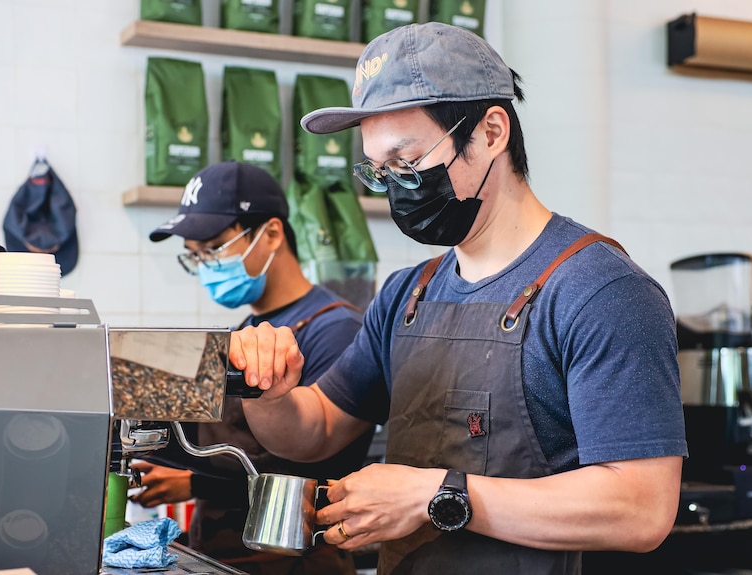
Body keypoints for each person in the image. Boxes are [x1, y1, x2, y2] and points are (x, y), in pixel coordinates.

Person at [229, 23, 688, 575]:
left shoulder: (601, 292)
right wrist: (269, 392)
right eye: (380, 170)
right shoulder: (408, 293)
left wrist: (434, 496)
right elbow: (316, 430)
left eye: (408, 160)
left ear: (492, 131)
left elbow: (641, 509)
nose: (397, 186)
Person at [133, 160, 375, 575]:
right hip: (225, 552)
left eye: (213, 248)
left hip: (295, 559)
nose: (206, 264)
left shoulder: (335, 329)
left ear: (273, 234)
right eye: (195, 256)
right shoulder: (247, 330)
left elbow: (309, 468)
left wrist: (194, 483)